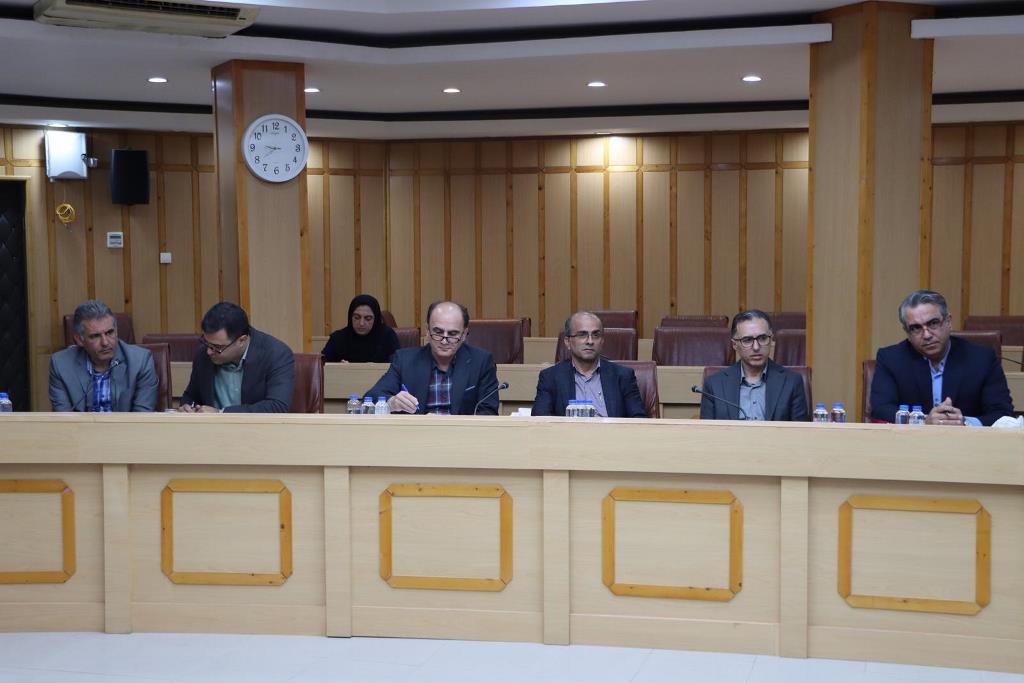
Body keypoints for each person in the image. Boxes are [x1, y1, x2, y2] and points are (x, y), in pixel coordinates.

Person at [870, 289, 1013, 426]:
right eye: (916, 328)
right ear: (907, 332)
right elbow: (881, 408)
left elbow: (1002, 413)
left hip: (968, 440)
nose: (927, 335)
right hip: (911, 441)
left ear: (948, 322)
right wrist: (923, 421)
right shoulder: (891, 359)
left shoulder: (981, 359)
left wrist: (966, 422)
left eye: (933, 323)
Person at [366, 301, 499, 415]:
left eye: (453, 334)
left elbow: (489, 412)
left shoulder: (481, 361)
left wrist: (450, 423)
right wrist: (391, 403)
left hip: (462, 434)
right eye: (438, 332)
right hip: (416, 434)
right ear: (428, 331)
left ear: (464, 334)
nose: (444, 341)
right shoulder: (404, 360)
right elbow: (370, 398)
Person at [179, 302, 295, 413]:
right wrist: (188, 407)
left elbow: (276, 406)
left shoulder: (276, 354)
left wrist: (221, 413)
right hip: (210, 427)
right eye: (206, 342)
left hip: (255, 426)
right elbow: (191, 396)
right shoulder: (203, 353)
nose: (209, 351)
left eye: (217, 347)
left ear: (241, 340)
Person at [531, 311, 647, 417]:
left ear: (602, 341)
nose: (590, 341)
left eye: (596, 335)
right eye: (582, 335)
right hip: (569, 433)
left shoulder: (623, 376)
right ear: (567, 342)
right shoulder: (550, 377)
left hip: (610, 433)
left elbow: (639, 420)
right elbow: (540, 420)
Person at [49, 300, 157, 412]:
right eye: (95, 336)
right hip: (79, 424)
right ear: (79, 339)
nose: (105, 342)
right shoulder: (60, 365)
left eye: (109, 332)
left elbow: (142, 416)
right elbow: (63, 417)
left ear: (116, 331)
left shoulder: (141, 361)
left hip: (128, 424)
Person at [700, 310, 808, 421]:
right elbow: (706, 430)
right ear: (734, 345)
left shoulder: (792, 382)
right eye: (747, 340)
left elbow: (801, 430)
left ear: (771, 340)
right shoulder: (715, 385)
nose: (756, 347)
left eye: (763, 338)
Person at [321, 294, 400, 363]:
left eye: (368, 318)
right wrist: (338, 366)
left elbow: (399, 365)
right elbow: (321, 364)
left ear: (376, 319)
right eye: (357, 317)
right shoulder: (338, 338)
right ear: (350, 317)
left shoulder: (387, 336)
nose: (361, 323)